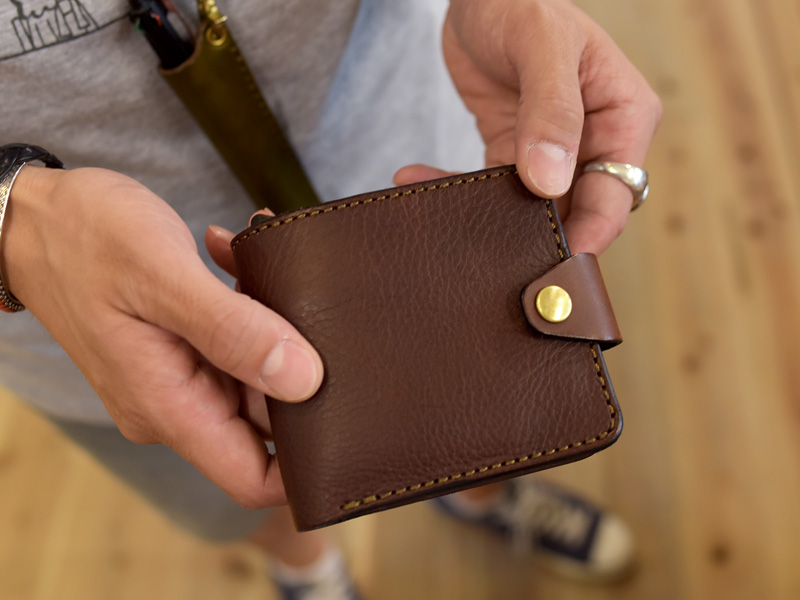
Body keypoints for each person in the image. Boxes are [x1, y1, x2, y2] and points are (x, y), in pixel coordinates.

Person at [0, 0, 661, 597]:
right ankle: (309, 573)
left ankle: (485, 499)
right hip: (85, 311)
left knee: (488, 413)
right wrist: (14, 219)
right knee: (241, 491)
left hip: (422, 182)